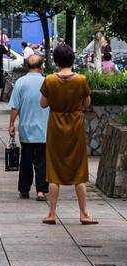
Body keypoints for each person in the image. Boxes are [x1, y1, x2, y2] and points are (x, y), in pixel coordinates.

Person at [40, 42, 96, 226]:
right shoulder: (81, 80)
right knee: (79, 170)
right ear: (72, 59)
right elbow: (87, 103)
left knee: (54, 170)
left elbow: (43, 104)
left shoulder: (49, 80)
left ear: (56, 60)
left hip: (55, 127)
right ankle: (83, 214)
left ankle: (52, 213)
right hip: (75, 127)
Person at [8, 54, 48, 202]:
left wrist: (11, 124)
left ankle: (24, 190)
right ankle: (41, 191)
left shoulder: (21, 82)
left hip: (26, 129)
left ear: (27, 66)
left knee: (26, 160)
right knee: (42, 161)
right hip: (44, 129)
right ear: (42, 66)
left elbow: (15, 106)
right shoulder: (47, 82)